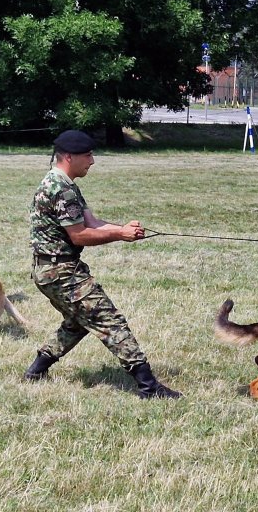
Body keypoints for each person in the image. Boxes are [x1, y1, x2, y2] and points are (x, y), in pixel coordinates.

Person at [23, 130, 181, 399]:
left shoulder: (64, 183)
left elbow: (92, 223)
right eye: (87, 155)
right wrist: (120, 234)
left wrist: (124, 229)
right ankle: (148, 386)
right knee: (110, 321)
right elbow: (79, 235)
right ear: (69, 157)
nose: (92, 161)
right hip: (60, 272)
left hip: (52, 270)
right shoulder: (61, 189)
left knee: (78, 322)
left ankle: (36, 371)